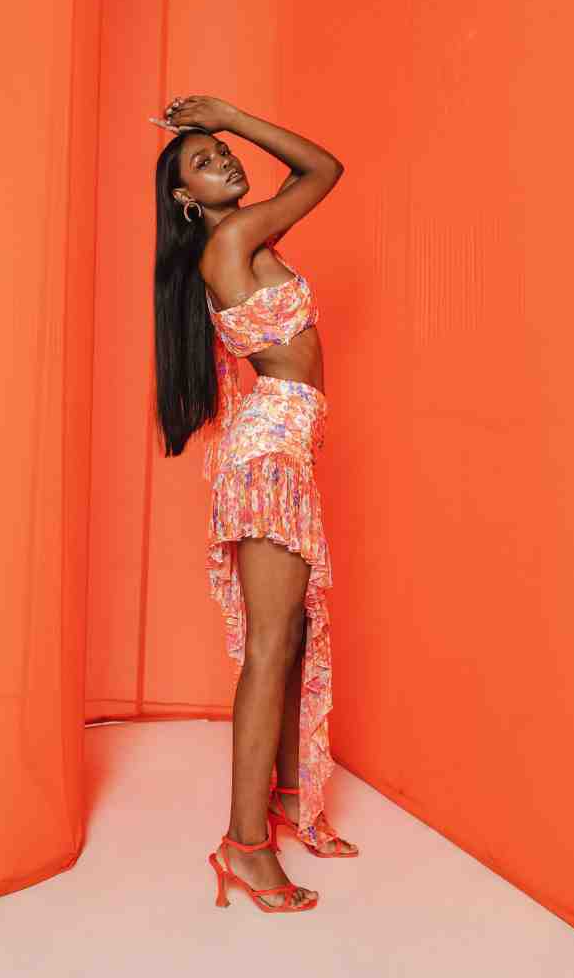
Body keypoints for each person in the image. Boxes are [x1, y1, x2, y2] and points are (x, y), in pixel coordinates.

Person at [149, 95, 358, 913]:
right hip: (269, 453)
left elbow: (315, 174)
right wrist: (231, 115)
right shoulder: (233, 237)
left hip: (286, 443)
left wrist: (224, 127)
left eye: (224, 150)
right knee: (272, 646)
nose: (226, 161)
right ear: (185, 199)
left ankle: (287, 798)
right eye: (205, 161)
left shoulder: (248, 240)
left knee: (292, 634)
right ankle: (243, 845)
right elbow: (324, 169)